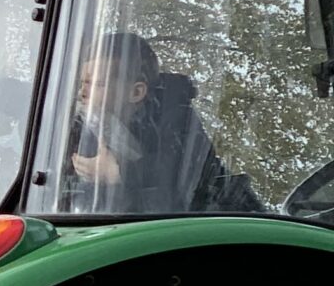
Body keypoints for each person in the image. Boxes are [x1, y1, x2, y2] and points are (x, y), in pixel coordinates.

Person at [68, 31, 259, 215]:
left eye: (97, 84)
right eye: (83, 83)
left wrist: (118, 172)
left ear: (136, 92)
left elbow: (181, 176)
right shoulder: (82, 130)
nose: (82, 93)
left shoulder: (176, 118)